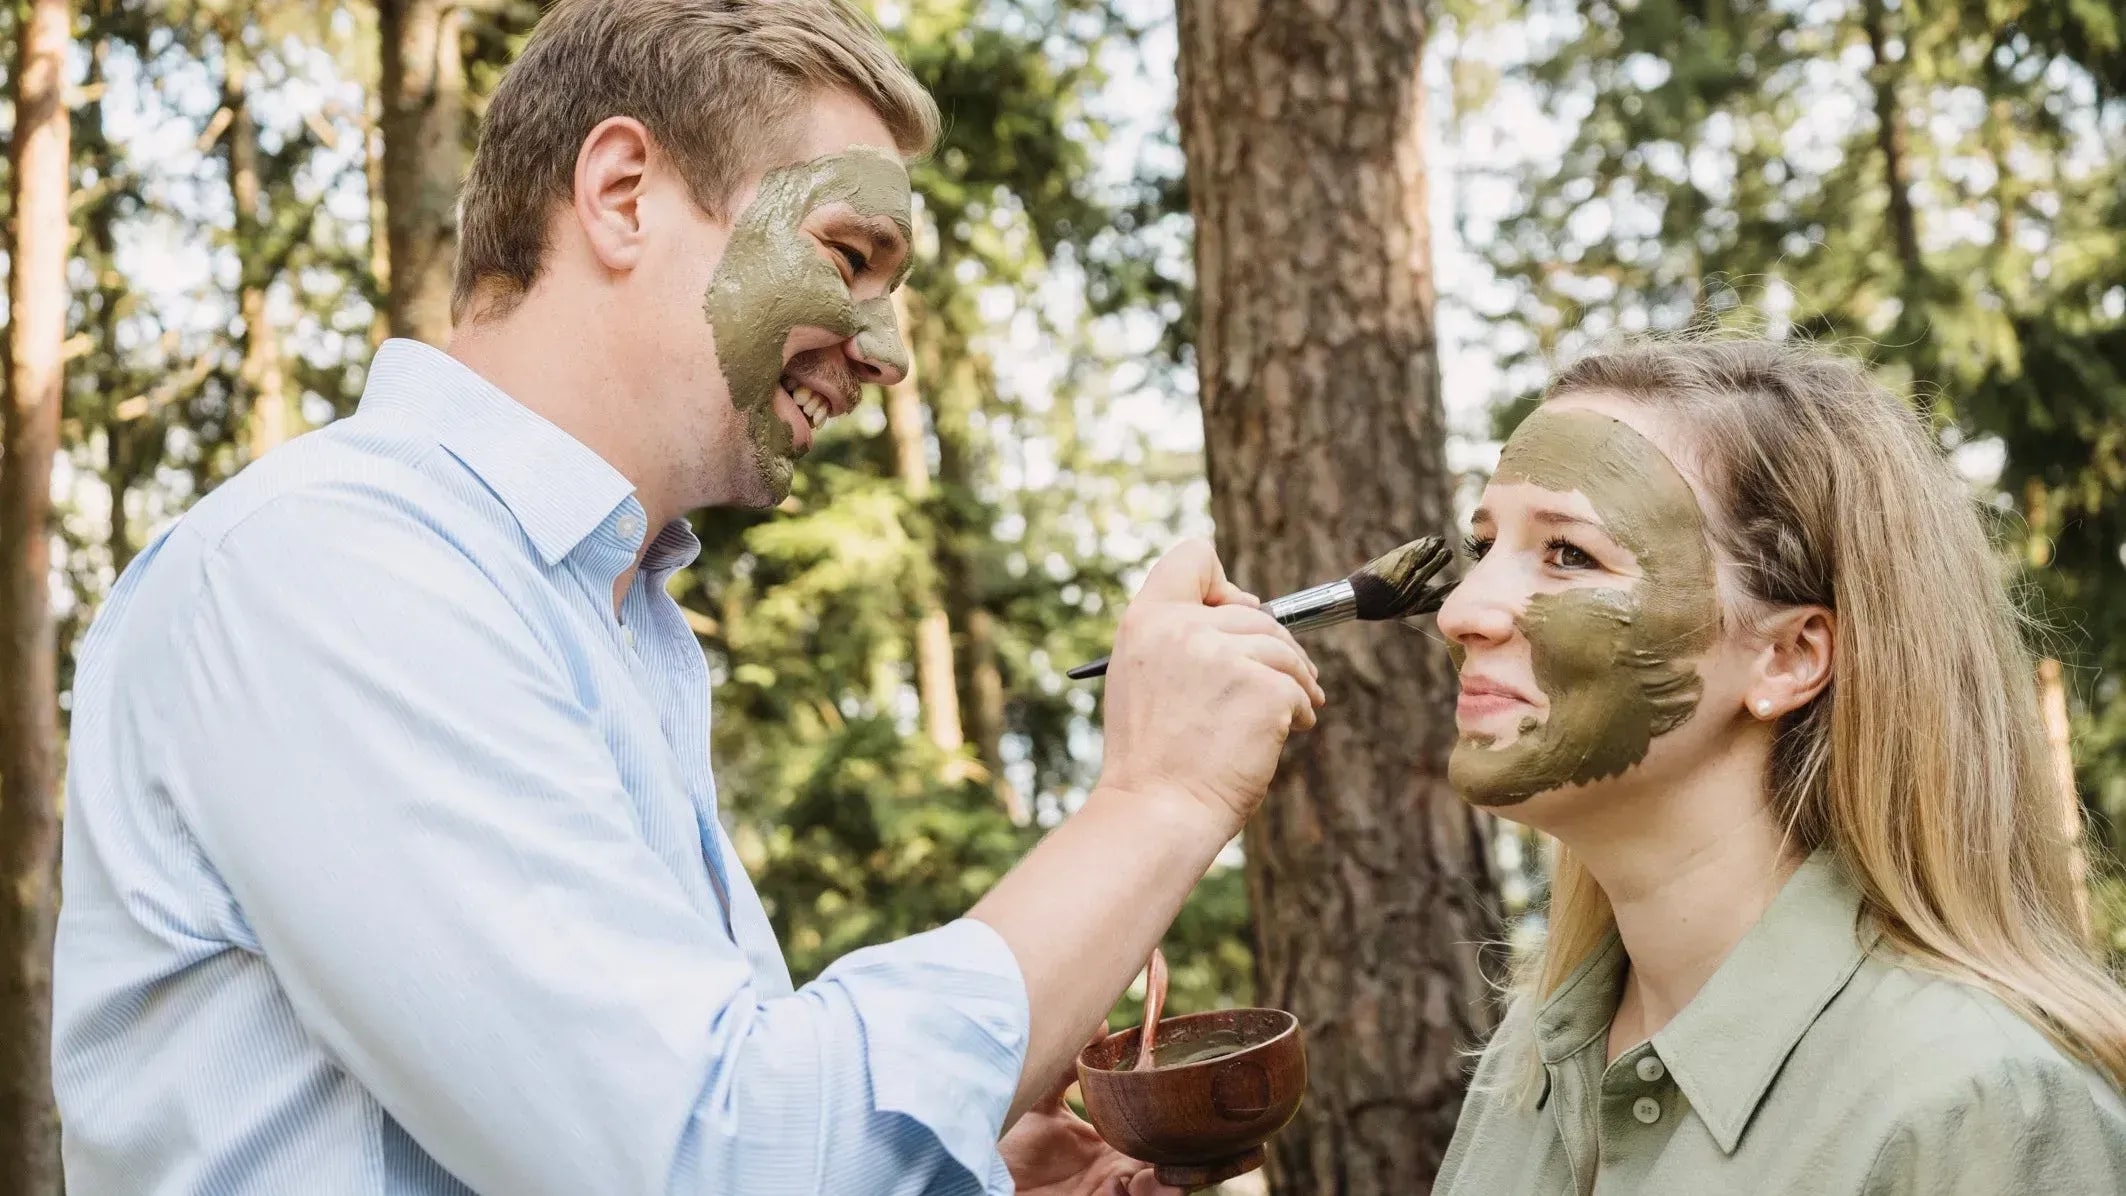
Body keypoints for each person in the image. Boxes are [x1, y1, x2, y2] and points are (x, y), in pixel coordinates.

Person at [49, 3, 1326, 1194]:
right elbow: (705, 1155)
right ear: (620, 195)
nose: (885, 355)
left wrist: (952, 1164)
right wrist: (1154, 800)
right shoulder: (329, 570)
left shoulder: (616, 620)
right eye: (849, 255)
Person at [1431, 337, 2126, 1194]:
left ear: (1789, 657)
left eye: (1569, 554)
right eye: (1484, 544)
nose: (1462, 611)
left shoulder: (1970, 1107)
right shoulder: (1530, 1063)